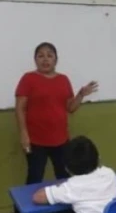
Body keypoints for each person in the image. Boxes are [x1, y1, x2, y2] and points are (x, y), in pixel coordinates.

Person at [15, 42, 98, 184]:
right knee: (35, 177)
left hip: (61, 140)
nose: (45, 59)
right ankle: (28, 200)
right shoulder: (28, 79)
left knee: (64, 177)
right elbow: (19, 108)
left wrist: (81, 94)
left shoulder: (63, 80)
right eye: (41, 56)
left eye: (49, 56)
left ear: (56, 60)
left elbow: (70, 108)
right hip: (35, 140)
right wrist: (24, 134)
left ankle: (65, 200)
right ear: (35, 60)